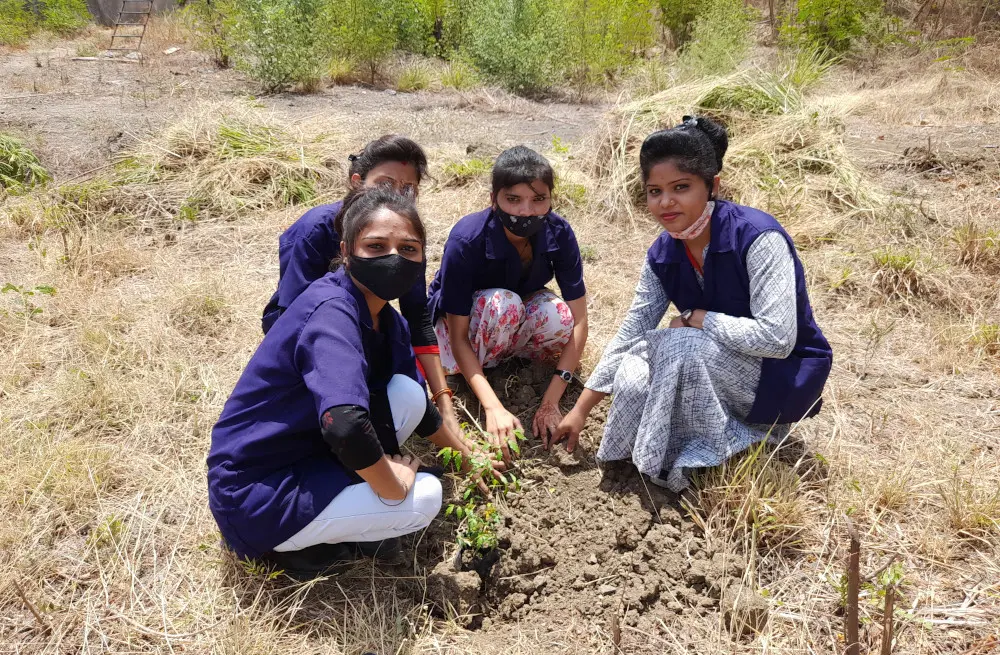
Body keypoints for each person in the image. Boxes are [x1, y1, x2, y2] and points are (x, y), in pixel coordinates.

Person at [208, 187, 499, 575]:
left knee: (407, 392)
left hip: (305, 448)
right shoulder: (331, 313)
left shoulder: (383, 316)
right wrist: (393, 484)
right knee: (425, 496)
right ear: (346, 251)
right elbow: (344, 424)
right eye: (376, 246)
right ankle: (295, 548)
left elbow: (419, 408)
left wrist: (467, 459)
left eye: (409, 249)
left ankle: (350, 507)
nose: (394, 259)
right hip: (259, 490)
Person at [553, 117, 832, 491]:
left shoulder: (757, 236)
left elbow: (778, 338)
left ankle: (705, 457)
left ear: (712, 186)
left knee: (681, 344)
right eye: (655, 191)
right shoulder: (663, 252)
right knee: (634, 371)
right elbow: (632, 330)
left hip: (778, 374)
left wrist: (698, 318)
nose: (665, 202)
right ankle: (631, 464)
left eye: (680, 188)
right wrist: (580, 409)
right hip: (716, 361)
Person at [261, 135, 460, 437]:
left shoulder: (406, 231)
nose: (399, 196)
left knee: (405, 379)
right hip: (312, 332)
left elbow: (417, 315)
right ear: (357, 182)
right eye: (385, 183)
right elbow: (295, 316)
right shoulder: (313, 230)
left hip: (367, 325)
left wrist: (443, 403)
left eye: (409, 189)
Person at [427, 146, 589, 459]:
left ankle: (501, 362)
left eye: (538, 199)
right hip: (462, 329)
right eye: (513, 199)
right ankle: (475, 381)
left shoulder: (559, 233)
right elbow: (460, 337)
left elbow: (580, 321)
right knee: (504, 304)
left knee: (558, 315)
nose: (527, 211)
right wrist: (493, 407)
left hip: (503, 327)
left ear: (551, 199)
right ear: (494, 199)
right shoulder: (467, 239)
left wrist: (550, 402)